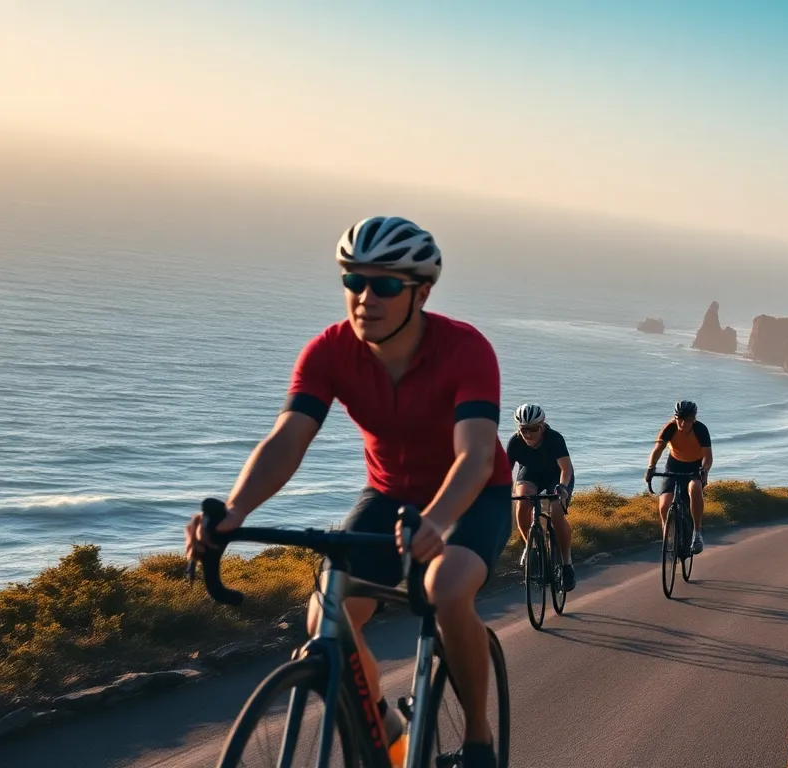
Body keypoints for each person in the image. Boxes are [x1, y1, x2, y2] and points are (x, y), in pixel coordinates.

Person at [183, 216, 510, 768]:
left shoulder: (466, 350)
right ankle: (383, 724)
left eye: (384, 285)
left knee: (446, 587)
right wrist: (235, 511)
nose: (365, 298)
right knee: (324, 616)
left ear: (421, 293)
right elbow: (287, 439)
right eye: (353, 281)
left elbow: (474, 455)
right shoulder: (329, 352)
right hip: (389, 494)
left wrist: (435, 521)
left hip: (473, 495)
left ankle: (478, 738)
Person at [507, 403, 577, 592]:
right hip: (531, 474)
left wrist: (562, 488)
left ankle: (566, 565)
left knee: (555, 513)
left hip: (557, 476)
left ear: (542, 425)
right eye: (523, 430)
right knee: (522, 504)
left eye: (533, 429)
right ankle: (532, 549)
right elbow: (506, 473)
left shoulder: (554, 439)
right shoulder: (515, 442)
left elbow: (566, 469)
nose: (528, 434)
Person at [644, 400, 712, 554]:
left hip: (695, 466)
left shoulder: (700, 429)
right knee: (664, 504)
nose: (682, 424)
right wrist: (650, 468)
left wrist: (705, 470)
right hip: (674, 464)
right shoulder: (670, 428)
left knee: (695, 488)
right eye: (679, 419)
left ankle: (697, 534)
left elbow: (708, 457)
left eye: (687, 420)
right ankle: (668, 535)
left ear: (693, 419)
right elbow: (657, 450)